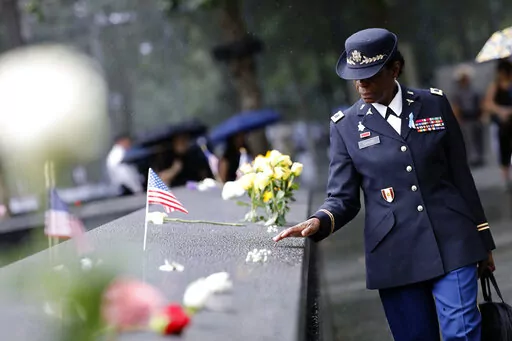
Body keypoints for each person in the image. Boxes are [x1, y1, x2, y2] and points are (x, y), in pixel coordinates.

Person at [274, 28, 496, 341]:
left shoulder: (434, 103)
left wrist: (482, 238)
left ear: (394, 69)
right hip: (394, 253)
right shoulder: (345, 126)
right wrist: (318, 220)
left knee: (463, 333)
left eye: (370, 75)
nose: (360, 84)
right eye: (355, 76)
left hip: (453, 238)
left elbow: (460, 175)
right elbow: (342, 197)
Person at [483, 59, 512, 189]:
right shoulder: (495, 86)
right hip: (503, 124)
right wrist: (501, 110)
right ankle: (506, 178)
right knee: (504, 150)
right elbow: (488, 103)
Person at [451, 65, 484, 167]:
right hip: (465, 118)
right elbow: (456, 106)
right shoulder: (457, 93)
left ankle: (479, 156)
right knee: (468, 138)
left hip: (475, 116)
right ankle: (472, 158)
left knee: (478, 137)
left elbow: (480, 103)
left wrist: (482, 115)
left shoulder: (474, 91)